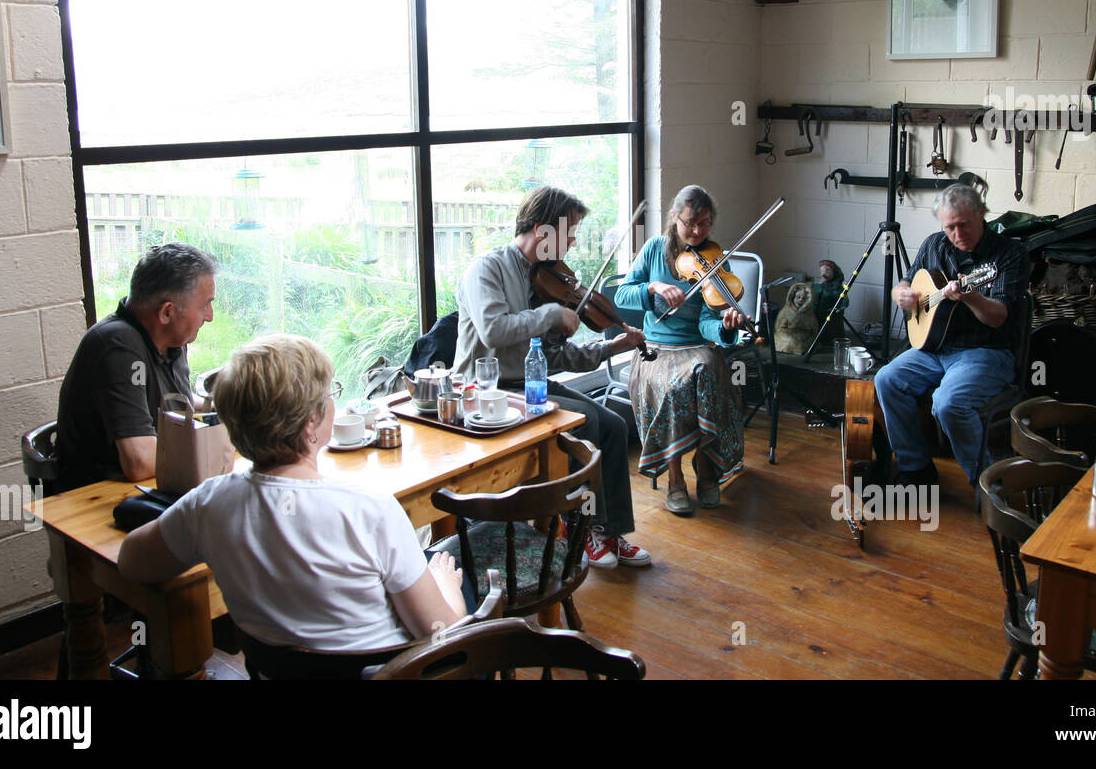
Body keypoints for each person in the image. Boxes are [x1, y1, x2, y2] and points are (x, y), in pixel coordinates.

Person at [118, 334, 466, 652]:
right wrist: (446, 585)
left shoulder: (208, 503)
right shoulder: (371, 511)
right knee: (456, 577)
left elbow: (132, 562)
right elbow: (445, 638)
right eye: (330, 395)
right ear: (311, 423)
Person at [452, 185, 652, 569]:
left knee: (610, 424)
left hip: (529, 385)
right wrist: (551, 316)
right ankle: (580, 527)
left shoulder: (546, 280)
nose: (575, 240)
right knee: (585, 420)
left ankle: (609, 529)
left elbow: (557, 356)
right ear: (543, 232)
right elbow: (494, 329)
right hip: (486, 392)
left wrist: (611, 347)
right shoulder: (487, 269)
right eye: (570, 231)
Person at [874, 184, 1027, 487]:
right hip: (933, 348)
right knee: (887, 379)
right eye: (950, 227)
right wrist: (901, 293)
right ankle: (916, 468)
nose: (957, 234)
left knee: (947, 403)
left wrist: (971, 297)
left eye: (964, 224)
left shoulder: (1009, 255)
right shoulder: (935, 245)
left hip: (985, 352)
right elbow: (906, 283)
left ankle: (988, 483)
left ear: (981, 214)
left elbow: (999, 318)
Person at [613, 185, 745, 515]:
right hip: (655, 347)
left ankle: (706, 467)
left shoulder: (713, 258)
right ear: (674, 217)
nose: (698, 232)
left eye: (705, 223)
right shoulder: (654, 249)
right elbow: (621, 295)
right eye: (691, 223)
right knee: (672, 389)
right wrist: (652, 286)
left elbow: (706, 323)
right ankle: (675, 478)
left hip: (696, 344)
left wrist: (725, 328)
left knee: (706, 371)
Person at [56, 242, 218, 488]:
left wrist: (229, 408)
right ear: (166, 312)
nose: (210, 316)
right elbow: (140, 461)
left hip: (151, 490)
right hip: (99, 503)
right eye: (205, 304)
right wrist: (216, 444)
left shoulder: (171, 338)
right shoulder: (117, 346)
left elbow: (174, 404)